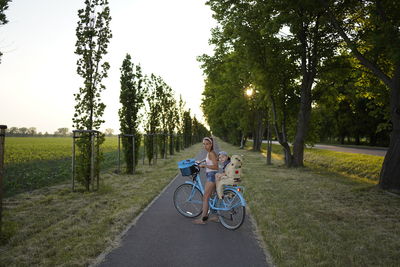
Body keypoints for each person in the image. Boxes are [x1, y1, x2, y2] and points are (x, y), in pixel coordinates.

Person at [193, 137, 219, 225]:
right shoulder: (210, 153)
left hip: (211, 176)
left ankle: (203, 220)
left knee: (206, 197)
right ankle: (215, 217)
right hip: (213, 176)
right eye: (204, 144)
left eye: (207, 144)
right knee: (212, 196)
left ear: (211, 144)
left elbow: (216, 167)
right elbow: (209, 160)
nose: (205, 146)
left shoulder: (211, 153)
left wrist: (205, 166)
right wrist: (201, 161)